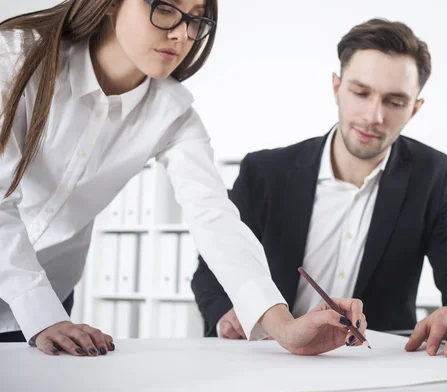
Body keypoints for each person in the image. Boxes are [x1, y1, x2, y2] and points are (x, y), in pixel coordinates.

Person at [0, 0, 367, 357]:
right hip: (40, 307)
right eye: (164, 8)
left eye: (195, 19)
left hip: (50, 299)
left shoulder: (172, 114)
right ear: (110, 3)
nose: (181, 34)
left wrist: (285, 328)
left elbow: (214, 217)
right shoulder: (14, 58)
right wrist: (42, 313)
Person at [192, 18, 447, 358]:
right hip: (269, 357)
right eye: (361, 92)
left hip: (373, 367)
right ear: (337, 87)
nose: (373, 116)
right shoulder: (264, 171)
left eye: (395, 102)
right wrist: (230, 315)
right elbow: (211, 271)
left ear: (415, 108)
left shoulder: (435, 176)